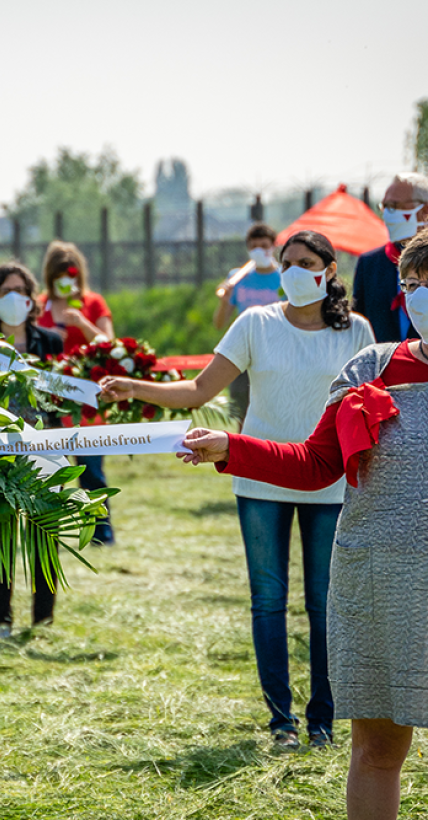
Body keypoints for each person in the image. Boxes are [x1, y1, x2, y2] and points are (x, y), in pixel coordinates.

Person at [179, 229, 428, 820]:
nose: (419, 296)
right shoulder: (372, 367)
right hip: (377, 585)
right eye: (411, 284)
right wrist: (230, 448)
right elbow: (316, 464)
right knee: (376, 750)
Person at [101, 231, 374, 748]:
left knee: (325, 603)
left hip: (330, 483)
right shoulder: (255, 323)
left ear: (330, 271)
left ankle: (322, 721)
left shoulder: (357, 332)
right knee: (268, 601)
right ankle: (282, 724)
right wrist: (135, 386)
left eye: (306, 262)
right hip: (260, 477)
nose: (293, 270)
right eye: (286, 261)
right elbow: (199, 390)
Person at [0, 261, 63, 639]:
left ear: (32, 298)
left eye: (21, 291)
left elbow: (62, 397)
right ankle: (2, 621)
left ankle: (42, 620)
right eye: (5, 292)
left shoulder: (50, 342)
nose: (14, 299)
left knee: (45, 536)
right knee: (1, 540)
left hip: (45, 448)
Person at [37, 240, 115, 545]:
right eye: (58, 275)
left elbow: (110, 345)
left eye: (70, 274)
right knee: (49, 466)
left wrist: (83, 324)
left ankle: (100, 532)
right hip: (47, 397)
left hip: (86, 399)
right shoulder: (38, 305)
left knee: (91, 469)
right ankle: (49, 529)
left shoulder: (94, 303)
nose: (64, 281)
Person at [212, 222, 282, 422]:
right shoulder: (237, 277)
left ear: (273, 247)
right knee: (241, 404)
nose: (259, 251)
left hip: (275, 350)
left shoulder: (284, 277)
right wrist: (225, 301)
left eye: (264, 246)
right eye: (254, 247)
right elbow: (219, 323)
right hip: (245, 350)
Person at [352, 172, 428, 342]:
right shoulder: (370, 263)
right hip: (384, 365)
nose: (388, 214)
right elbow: (358, 323)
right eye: (385, 206)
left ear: (425, 210)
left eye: (395, 206)